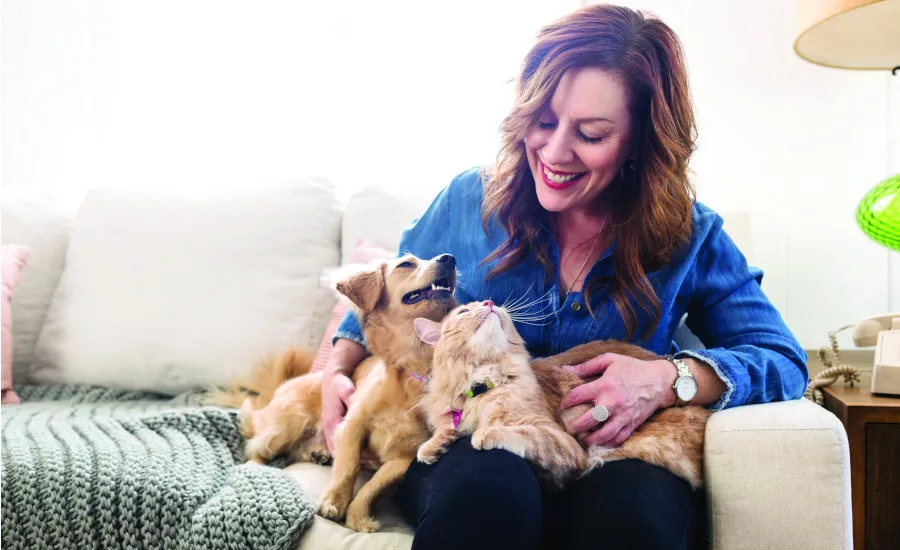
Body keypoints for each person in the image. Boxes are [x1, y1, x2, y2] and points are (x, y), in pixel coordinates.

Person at [322, 4, 808, 549]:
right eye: (544, 121)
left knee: (630, 520)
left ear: (639, 143)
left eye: (591, 134)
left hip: (614, 452)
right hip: (474, 437)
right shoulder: (467, 201)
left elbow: (783, 359)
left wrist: (669, 379)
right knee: (488, 491)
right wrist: (334, 372)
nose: (554, 153)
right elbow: (385, 297)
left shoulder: (691, 235)